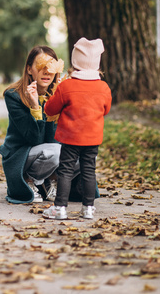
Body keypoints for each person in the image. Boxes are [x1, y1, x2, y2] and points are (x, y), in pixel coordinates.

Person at [0, 45, 82, 204]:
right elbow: (34, 138)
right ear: (29, 69)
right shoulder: (13, 96)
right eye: (41, 66)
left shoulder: (60, 94)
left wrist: (55, 103)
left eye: (51, 66)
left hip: (49, 149)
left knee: (82, 154)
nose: (47, 71)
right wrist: (35, 107)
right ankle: (28, 180)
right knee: (56, 152)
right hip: (22, 154)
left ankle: (51, 179)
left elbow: (53, 138)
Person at [43, 37, 112, 220]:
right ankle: (88, 208)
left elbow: (50, 109)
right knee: (89, 170)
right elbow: (106, 109)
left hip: (70, 138)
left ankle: (60, 208)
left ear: (75, 62)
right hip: (92, 138)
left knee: (65, 169)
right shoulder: (103, 87)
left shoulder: (66, 86)